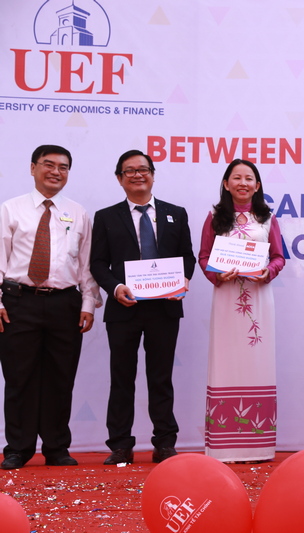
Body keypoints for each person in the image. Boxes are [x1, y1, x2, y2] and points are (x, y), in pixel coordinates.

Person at [90, 149, 195, 465]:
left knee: (161, 378)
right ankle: (120, 445)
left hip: (165, 308)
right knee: (121, 377)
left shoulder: (176, 213)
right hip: (123, 307)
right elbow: (98, 263)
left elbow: (187, 257)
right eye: (130, 170)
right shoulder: (106, 217)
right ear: (119, 178)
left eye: (143, 169)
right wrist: (115, 288)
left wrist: (183, 280)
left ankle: (164, 443)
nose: (137, 175)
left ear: (152, 174)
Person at [0, 145, 101, 470]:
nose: (56, 172)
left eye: (63, 167)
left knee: (60, 377)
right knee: (19, 378)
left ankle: (57, 447)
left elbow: (86, 264)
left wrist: (88, 302)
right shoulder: (10, 210)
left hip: (65, 304)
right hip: (18, 302)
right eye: (48, 164)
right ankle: (18, 448)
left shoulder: (78, 212)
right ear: (33, 168)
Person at [198, 159, 285, 462]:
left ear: (257, 185)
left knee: (258, 362)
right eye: (237, 178)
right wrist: (217, 274)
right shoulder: (214, 217)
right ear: (226, 184)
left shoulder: (267, 218)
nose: (243, 183)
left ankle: (258, 446)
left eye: (249, 178)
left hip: (259, 299)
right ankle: (224, 446)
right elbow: (204, 256)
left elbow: (278, 257)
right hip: (226, 298)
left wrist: (267, 272)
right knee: (226, 361)